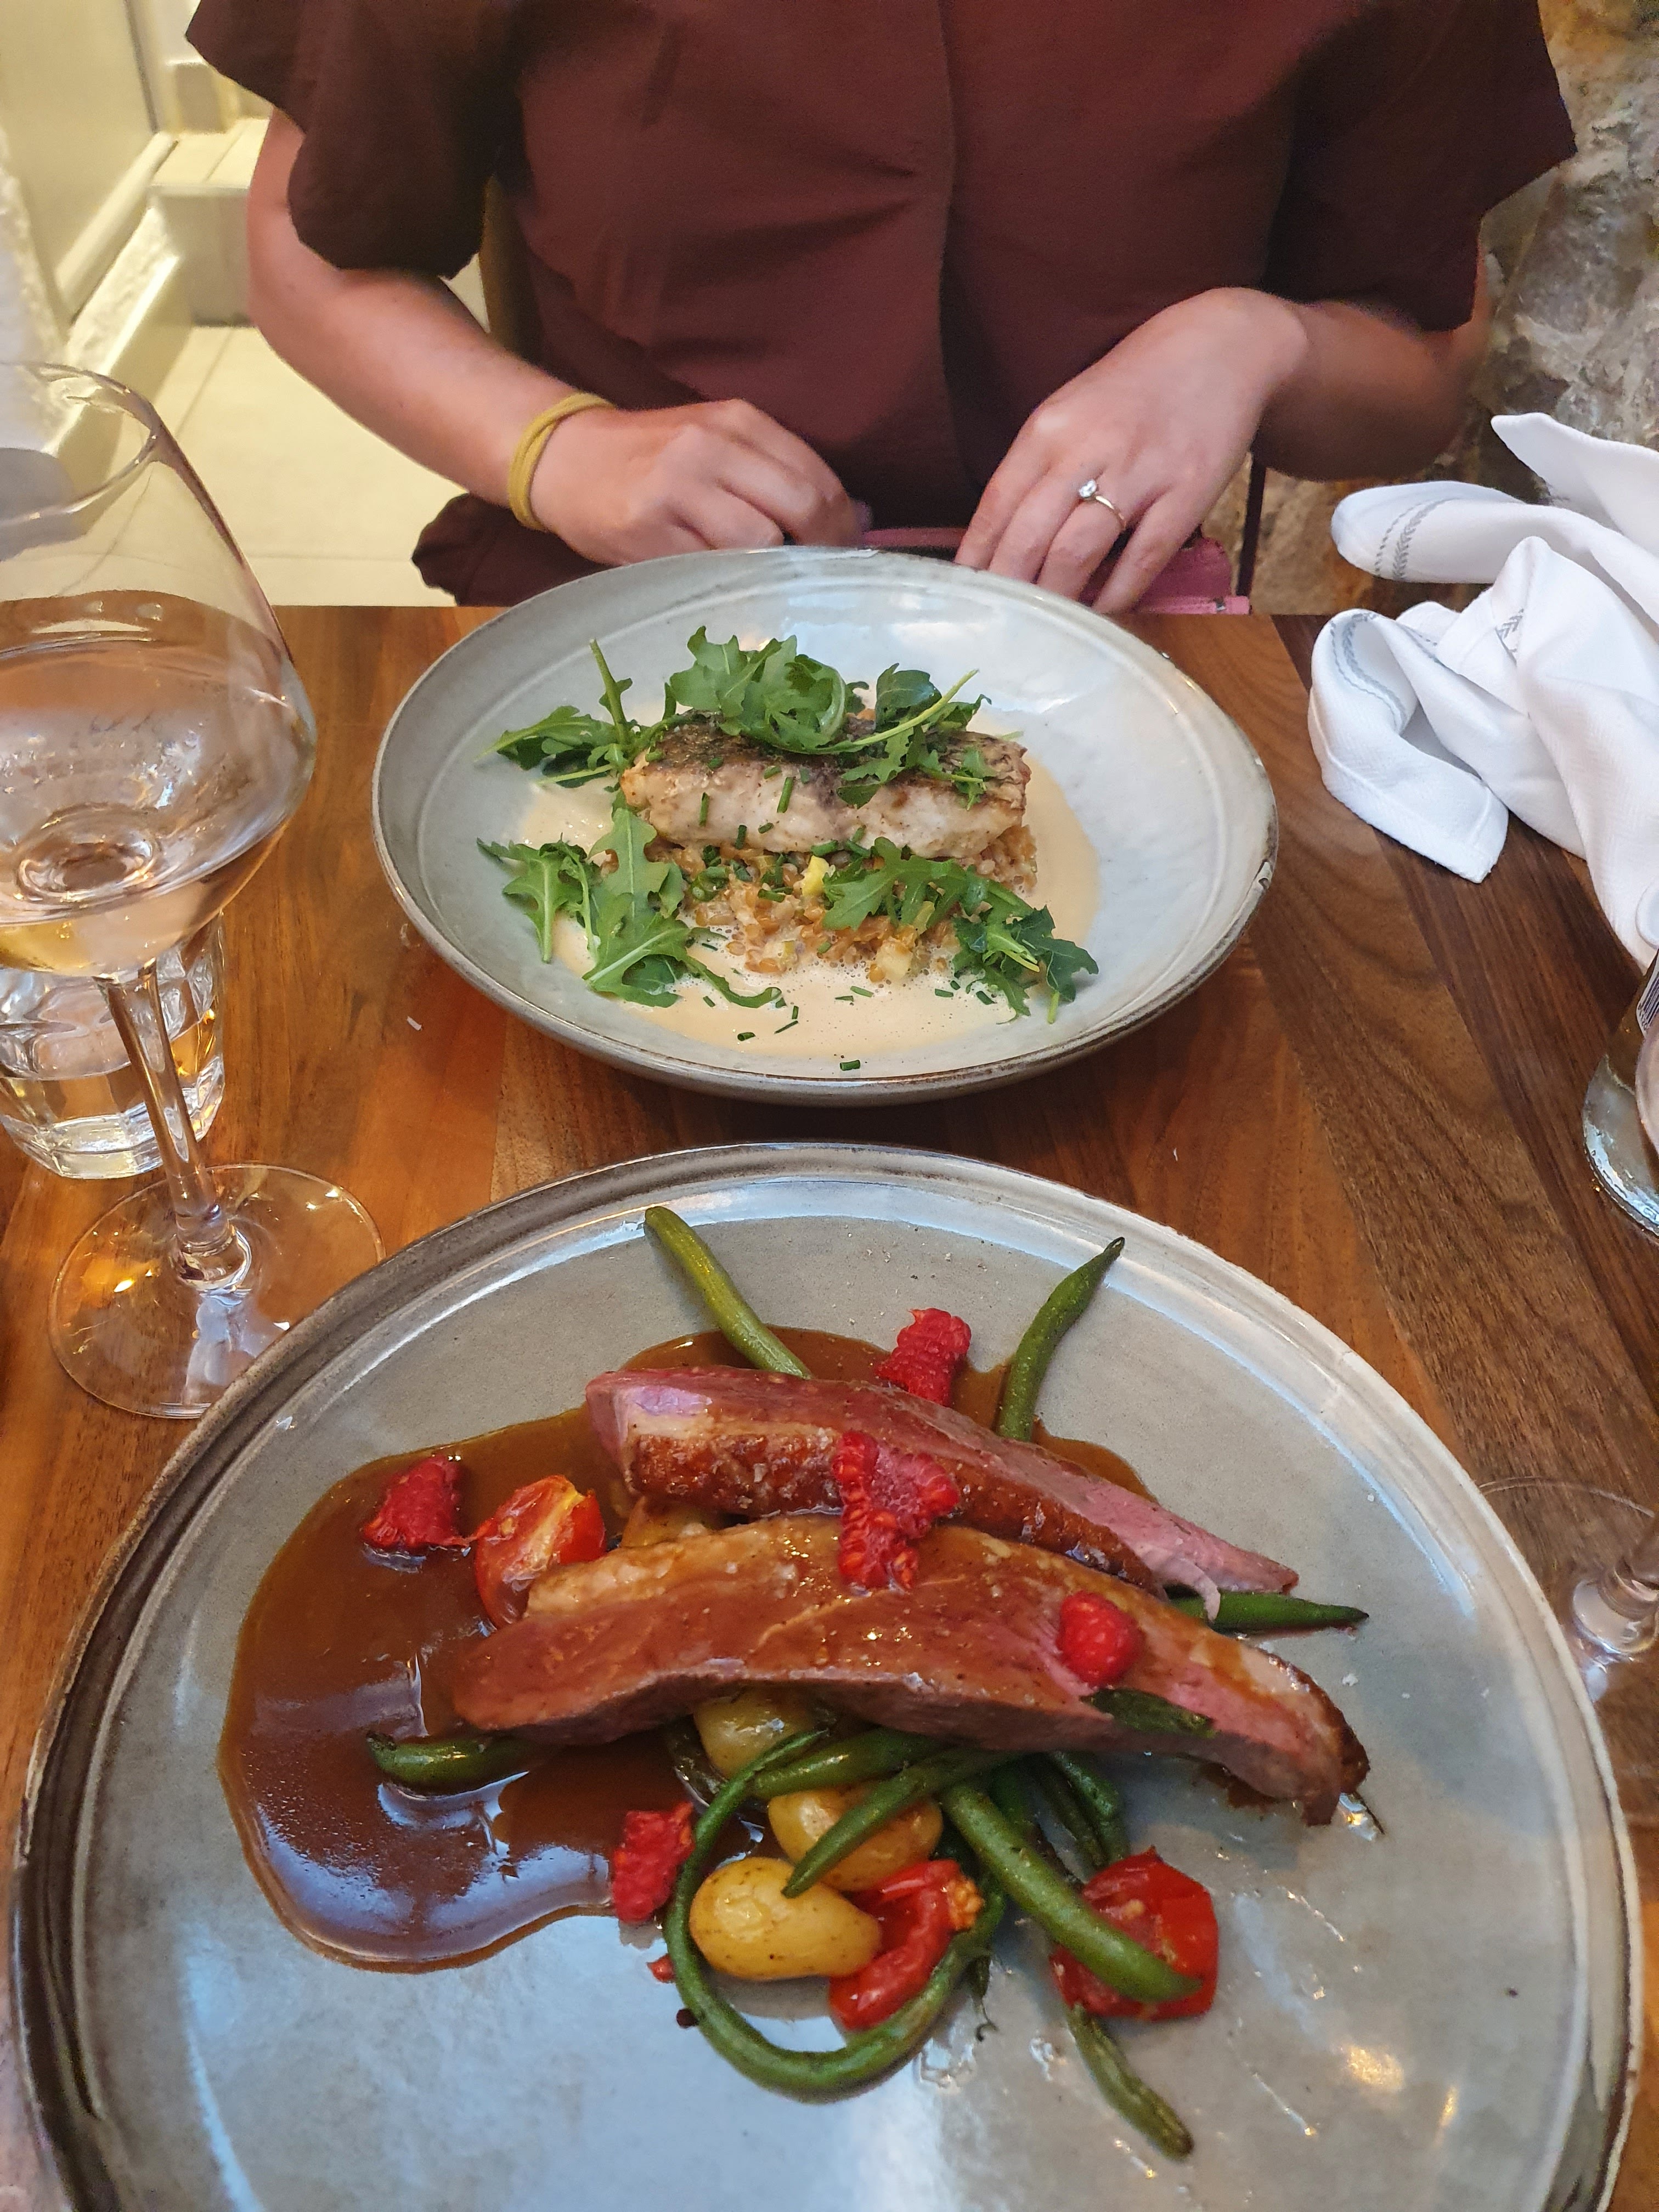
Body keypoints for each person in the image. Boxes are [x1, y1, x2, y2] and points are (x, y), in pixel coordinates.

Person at [189, 0, 1572, 611]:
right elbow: (309, 251)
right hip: (615, 620)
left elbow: (1421, 372)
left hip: (1113, 650)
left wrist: (1255, 342)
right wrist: (552, 447)